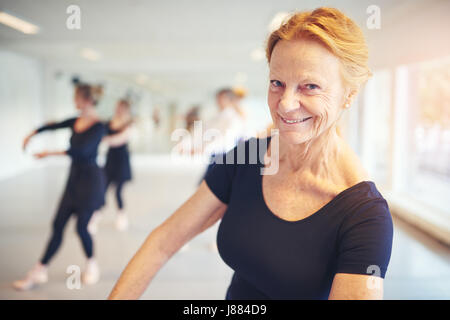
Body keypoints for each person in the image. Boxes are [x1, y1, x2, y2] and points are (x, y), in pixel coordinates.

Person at [108, 7, 393, 300]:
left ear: (349, 94)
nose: (285, 104)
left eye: (310, 86)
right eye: (277, 84)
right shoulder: (245, 158)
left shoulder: (365, 216)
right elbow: (163, 242)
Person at [14, 83, 106, 290]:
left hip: (91, 182)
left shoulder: (99, 126)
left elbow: (81, 152)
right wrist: (33, 133)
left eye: (77, 98)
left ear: (87, 100)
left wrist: (48, 153)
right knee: (57, 226)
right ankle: (40, 269)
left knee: (82, 227)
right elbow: (54, 125)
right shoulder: (76, 121)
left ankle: (92, 265)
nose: (75, 101)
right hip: (73, 181)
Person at [89, 99, 133, 233]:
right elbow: (99, 130)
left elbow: (120, 140)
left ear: (125, 109)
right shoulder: (109, 122)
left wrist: (104, 140)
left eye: (120, 108)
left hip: (122, 161)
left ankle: (122, 216)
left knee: (118, 191)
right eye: (117, 107)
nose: (118, 110)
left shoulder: (128, 124)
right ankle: (94, 218)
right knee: (102, 190)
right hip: (110, 160)